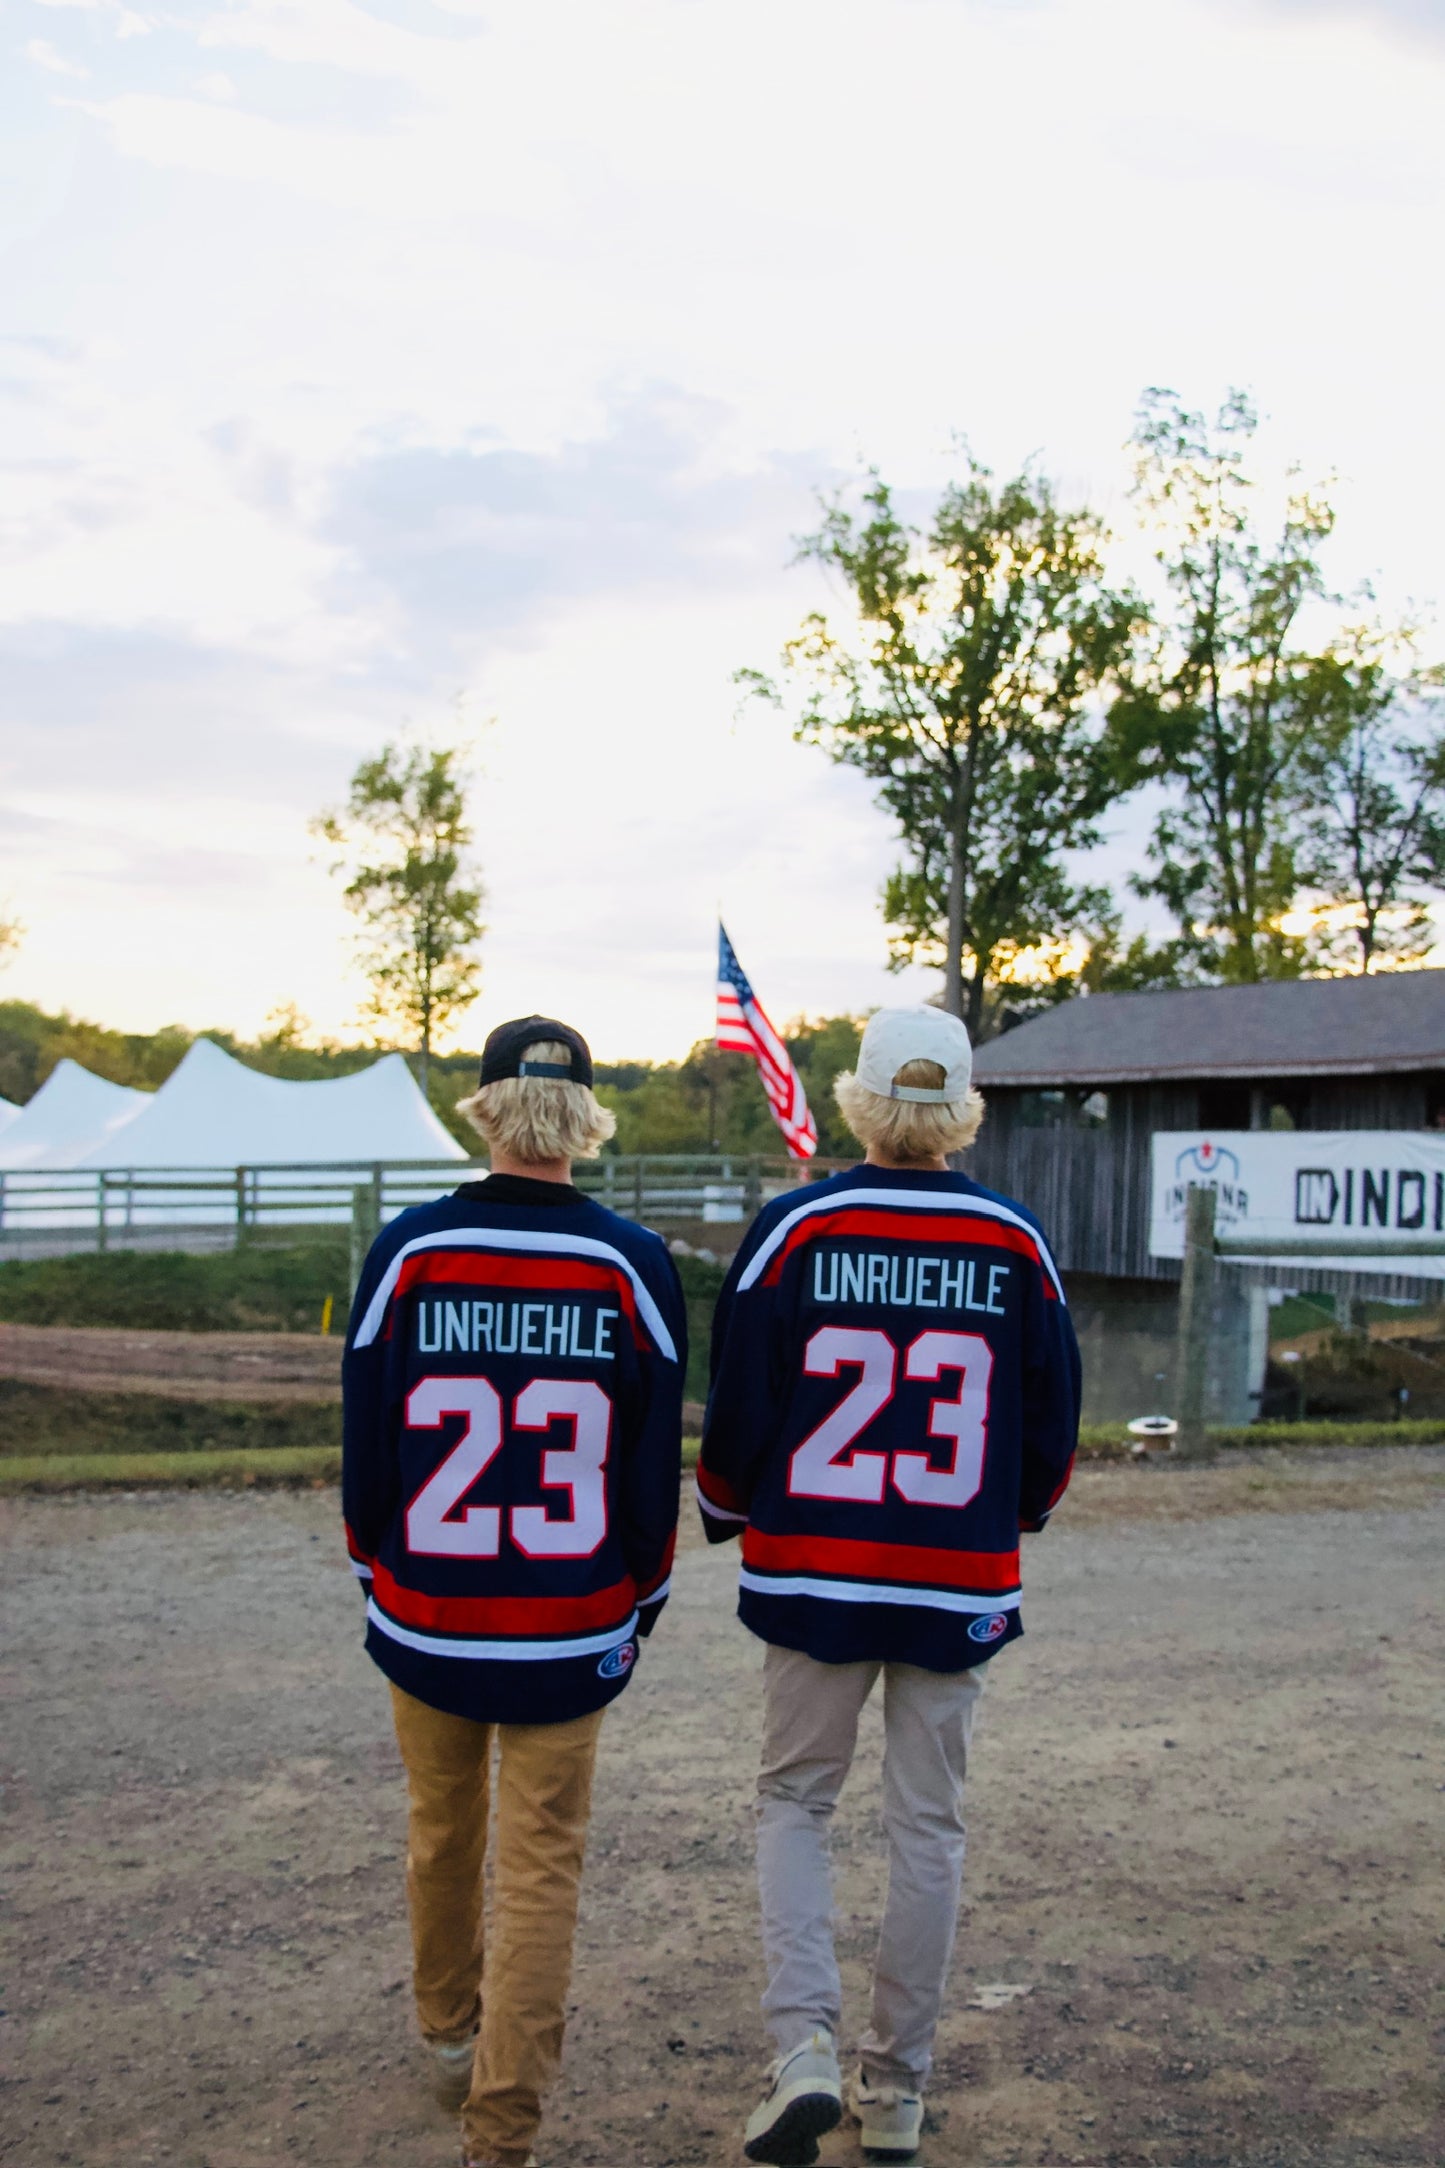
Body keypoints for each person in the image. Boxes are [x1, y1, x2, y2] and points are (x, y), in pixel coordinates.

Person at [697, 1006, 1080, 2166]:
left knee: (795, 1799)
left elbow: (741, 1404)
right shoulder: (1014, 1241)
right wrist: (1007, 1517)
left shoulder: (795, 1227)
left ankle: (801, 2042)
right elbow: (1051, 1420)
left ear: (858, 1097)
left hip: (814, 1561)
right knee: (928, 1823)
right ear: (960, 1108)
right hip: (951, 1563)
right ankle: (897, 2085)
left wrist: (725, 1507)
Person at [342, 1016, 686, 2168]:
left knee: (441, 1828)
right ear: (585, 1119)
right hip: (567, 1612)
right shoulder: (629, 1262)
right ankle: (504, 2126)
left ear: (484, 1108)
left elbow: (369, 1443)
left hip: (429, 1602)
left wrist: (374, 1572)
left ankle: (448, 2035)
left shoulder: (408, 1251)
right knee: (541, 1858)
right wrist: (637, 1599)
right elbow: (647, 1466)